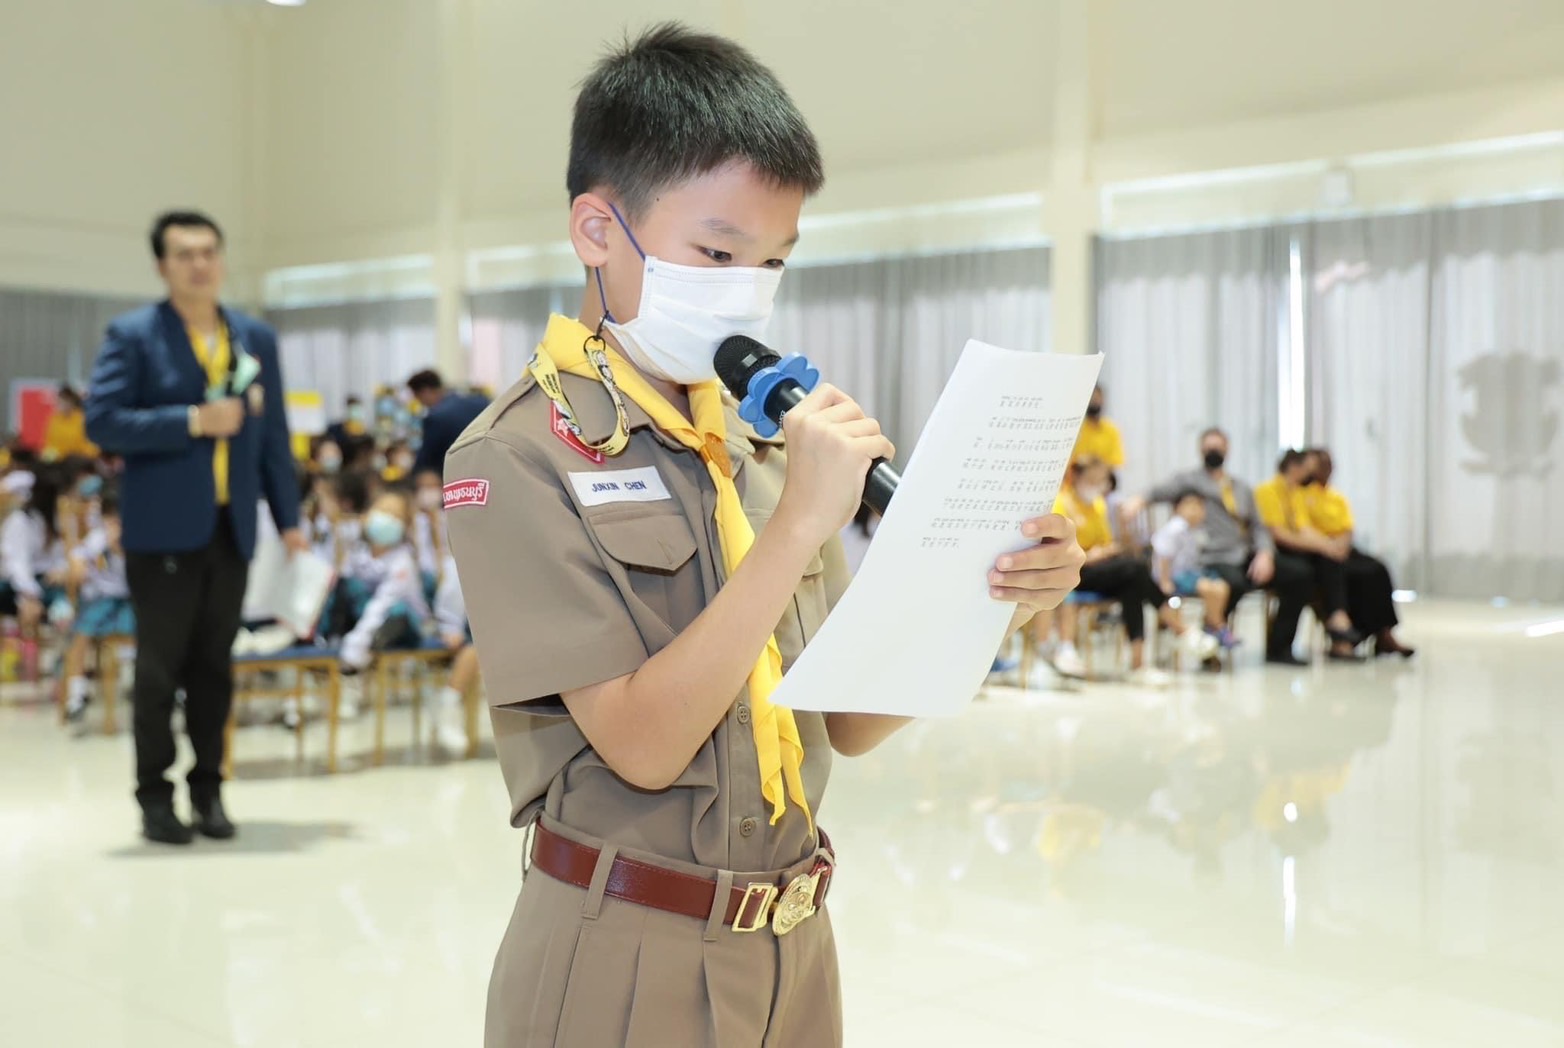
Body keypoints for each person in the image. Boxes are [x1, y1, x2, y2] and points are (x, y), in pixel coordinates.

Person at [443, 25, 1084, 1047]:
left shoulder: (764, 442)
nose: (746, 288)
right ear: (597, 229)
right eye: (716, 253)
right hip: (624, 947)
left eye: (774, 259)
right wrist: (794, 527)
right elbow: (643, 745)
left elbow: (848, 721)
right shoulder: (517, 456)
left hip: (792, 939)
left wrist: (996, 590)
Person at [85, 210, 305, 846]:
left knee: (215, 669)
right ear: (163, 266)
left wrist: (289, 520)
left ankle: (209, 790)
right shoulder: (134, 335)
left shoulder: (253, 338)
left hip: (231, 529)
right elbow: (103, 422)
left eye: (209, 251)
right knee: (159, 673)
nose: (199, 264)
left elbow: (273, 437)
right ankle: (154, 797)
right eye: (184, 254)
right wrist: (190, 421)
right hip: (161, 533)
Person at [1127, 428, 1314, 666]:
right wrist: (1137, 500)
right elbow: (1157, 492)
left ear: (1227, 449)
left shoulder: (1240, 487)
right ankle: (1212, 638)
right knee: (1232, 583)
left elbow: (1258, 526)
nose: (1213, 451)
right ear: (1201, 450)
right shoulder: (1189, 481)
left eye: (1218, 447)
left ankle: (1279, 647)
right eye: (1209, 447)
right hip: (1213, 556)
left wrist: (1265, 554)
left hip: (1244, 553)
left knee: (1300, 574)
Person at [1053, 458, 1218, 685]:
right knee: (1136, 569)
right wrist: (1091, 554)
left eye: (1101, 481)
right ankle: (1180, 630)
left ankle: (1139, 664)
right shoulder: (1062, 503)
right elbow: (1059, 551)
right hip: (1073, 571)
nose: (1097, 486)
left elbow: (1109, 543)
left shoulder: (1098, 505)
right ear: (1077, 478)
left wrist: (1115, 540)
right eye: (1092, 480)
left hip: (1099, 569)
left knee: (1133, 584)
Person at [1303, 448, 1414, 657]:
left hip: (1341, 548)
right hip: (1319, 550)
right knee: (1339, 573)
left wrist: (1341, 545)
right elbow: (1303, 528)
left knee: (1376, 569)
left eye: (1329, 464)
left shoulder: (1336, 497)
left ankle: (1384, 634)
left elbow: (1347, 528)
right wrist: (1328, 546)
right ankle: (1343, 636)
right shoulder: (1303, 494)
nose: (1326, 469)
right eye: (1321, 464)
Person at [1253, 450, 1363, 661]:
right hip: (1274, 551)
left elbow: (1304, 528)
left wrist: (1328, 547)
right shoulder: (1267, 491)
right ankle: (1280, 646)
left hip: (1297, 549)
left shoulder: (1295, 493)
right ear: (1295, 468)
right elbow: (1278, 533)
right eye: (1307, 470)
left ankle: (1339, 624)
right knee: (1301, 575)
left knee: (1331, 564)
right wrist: (1325, 547)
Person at [329, 489, 430, 716]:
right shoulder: (356, 553)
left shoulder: (403, 560)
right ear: (366, 516)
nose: (387, 519)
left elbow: (382, 604)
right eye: (383, 511)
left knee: (394, 613)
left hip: (401, 622)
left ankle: (353, 677)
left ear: (404, 526)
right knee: (347, 589)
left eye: (395, 515)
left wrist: (355, 643)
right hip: (365, 618)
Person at [62, 491, 133, 721]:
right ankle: (77, 696)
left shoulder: (136, 537)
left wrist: (120, 549)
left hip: (130, 599)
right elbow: (78, 558)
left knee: (147, 632)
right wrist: (79, 566)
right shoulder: (97, 538)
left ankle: (138, 682)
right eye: (111, 519)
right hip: (101, 599)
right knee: (81, 637)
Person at [1151, 489, 1238, 648]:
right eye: (1190, 505)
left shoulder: (1197, 530)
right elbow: (1163, 556)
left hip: (1191, 573)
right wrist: (1164, 581)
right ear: (1177, 508)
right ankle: (1219, 627)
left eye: (1199, 506)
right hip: (1175, 575)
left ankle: (1212, 625)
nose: (1195, 510)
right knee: (1207, 588)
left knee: (1222, 587)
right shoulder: (1174, 529)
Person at [0, 468, 68, 636]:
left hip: (44, 580)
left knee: (64, 612)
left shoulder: (51, 520)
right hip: (15, 584)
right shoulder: (20, 521)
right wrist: (31, 594)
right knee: (30, 610)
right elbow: (17, 565)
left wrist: (60, 570)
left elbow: (59, 556)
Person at [430, 553, 477, 756]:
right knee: (475, 647)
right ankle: (448, 708)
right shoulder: (461, 557)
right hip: (461, 626)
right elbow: (451, 596)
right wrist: (450, 627)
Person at [407, 369, 487, 480]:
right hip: (487, 470)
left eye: (418, 398)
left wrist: (410, 475)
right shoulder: (480, 403)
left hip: (455, 478)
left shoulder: (435, 417)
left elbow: (426, 459)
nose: (421, 403)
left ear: (425, 392)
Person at [1071, 384, 1124, 469]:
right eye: (1091, 398)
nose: (1094, 402)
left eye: (1097, 398)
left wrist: (1094, 461)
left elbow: (1117, 461)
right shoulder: (1077, 429)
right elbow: (1073, 461)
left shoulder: (1111, 429)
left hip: (1103, 474)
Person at [42, 386, 100, 462]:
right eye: (58, 402)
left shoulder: (82, 419)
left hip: (79, 459)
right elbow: (50, 444)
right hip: (59, 459)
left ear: (71, 402)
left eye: (63, 401)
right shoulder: (54, 420)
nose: (59, 405)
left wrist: (83, 456)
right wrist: (47, 458)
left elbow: (90, 446)